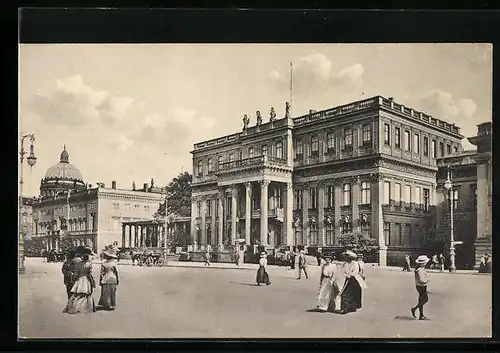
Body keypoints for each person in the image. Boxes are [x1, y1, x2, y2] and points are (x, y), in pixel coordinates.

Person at [339, 250, 366, 315]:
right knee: (345, 293)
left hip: (354, 280)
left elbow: (355, 272)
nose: (346, 258)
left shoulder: (355, 263)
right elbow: (343, 271)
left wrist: (350, 275)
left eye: (347, 257)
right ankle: (345, 308)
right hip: (347, 279)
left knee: (352, 293)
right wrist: (346, 275)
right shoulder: (345, 264)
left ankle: (352, 307)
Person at [411, 255, 430, 320]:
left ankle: (421, 315)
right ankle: (415, 309)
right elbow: (421, 279)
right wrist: (426, 280)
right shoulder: (420, 270)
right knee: (425, 299)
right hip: (422, 286)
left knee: (421, 300)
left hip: (418, 286)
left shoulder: (418, 269)